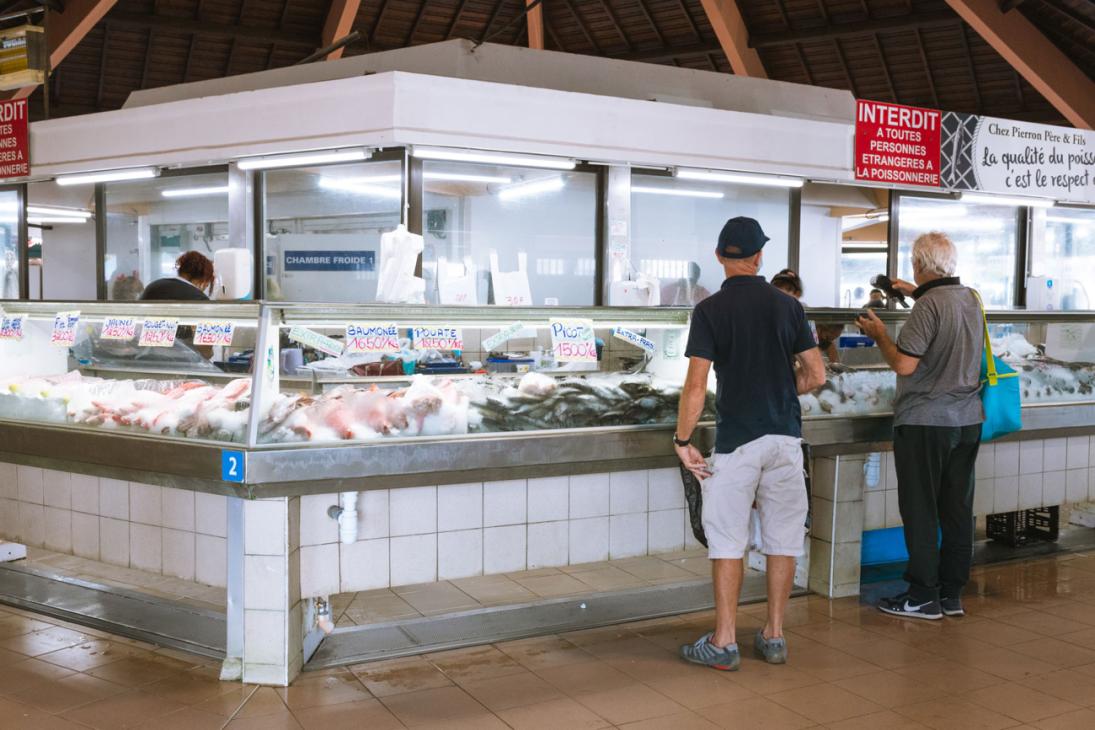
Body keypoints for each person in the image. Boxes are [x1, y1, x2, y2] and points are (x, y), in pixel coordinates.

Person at [675, 217, 825, 671]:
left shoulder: (710, 310)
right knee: (783, 539)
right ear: (760, 257)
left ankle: (724, 642)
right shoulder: (789, 307)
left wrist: (683, 440)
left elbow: (696, 386)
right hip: (785, 440)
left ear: (721, 258)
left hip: (737, 442)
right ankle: (774, 636)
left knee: (727, 540)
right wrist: (780, 389)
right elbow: (816, 375)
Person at [856, 232, 983, 620]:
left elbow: (904, 365)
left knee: (921, 509)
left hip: (926, 422)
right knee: (957, 509)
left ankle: (922, 595)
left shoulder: (927, 308)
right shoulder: (970, 299)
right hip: (968, 420)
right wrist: (914, 291)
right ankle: (950, 594)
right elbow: (940, 306)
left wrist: (879, 335)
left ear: (918, 265)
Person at [771, 269, 841, 364]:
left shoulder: (804, 312)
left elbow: (813, 340)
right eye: (778, 287)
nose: (782, 293)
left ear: (797, 294)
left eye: (789, 289)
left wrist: (834, 363)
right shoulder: (765, 311)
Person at [140, 251, 214, 301]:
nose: (204, 288)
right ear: (204, 279)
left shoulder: (152, 287)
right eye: (206, 285)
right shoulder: (198, 298)